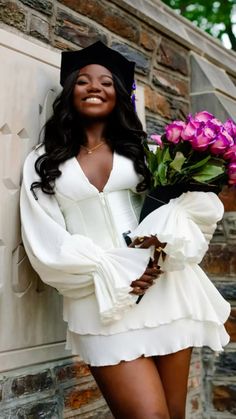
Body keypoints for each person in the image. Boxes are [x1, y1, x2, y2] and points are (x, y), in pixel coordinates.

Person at [20, 41, 230, 419]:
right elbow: (45, 239)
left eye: (106, 82)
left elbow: (189, 208)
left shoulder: (147, 152)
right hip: (101, 300)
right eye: (83, 81)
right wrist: (119, 269)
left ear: (119, 93)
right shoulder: (43, 160)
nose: (94, 86)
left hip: (164, 288)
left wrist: (161, 250)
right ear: (70, 93)